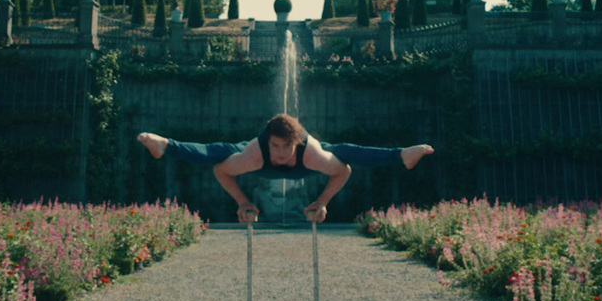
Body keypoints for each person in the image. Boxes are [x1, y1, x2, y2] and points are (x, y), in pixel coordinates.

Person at [136, 114, 434, 223]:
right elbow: (220, 170)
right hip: (256, 164)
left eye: (285, 147)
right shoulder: (256, 152)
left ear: (296, 143)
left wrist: (321, 202)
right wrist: (242, 201)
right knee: (222, 152)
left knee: (342, 152)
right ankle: (167, 145)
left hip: (305, 167)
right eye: (275, 146)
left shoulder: (311, 152)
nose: (279, 153)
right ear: (268, 141)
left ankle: (401, 155)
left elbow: (344, 170)